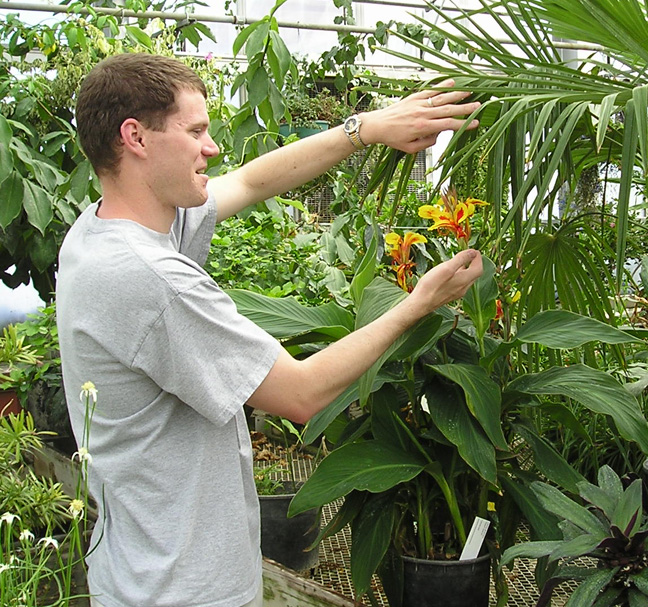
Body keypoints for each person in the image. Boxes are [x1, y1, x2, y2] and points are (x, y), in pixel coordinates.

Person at [56, 52, 483, 607]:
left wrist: (365, 129)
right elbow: (302, 393)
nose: (211, 148)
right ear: (136, 136)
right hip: (183, 589)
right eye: (196, 131)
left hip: (140, 568)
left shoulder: (102, 231)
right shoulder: (151, 281)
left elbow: (253, 181)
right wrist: (416, 305)